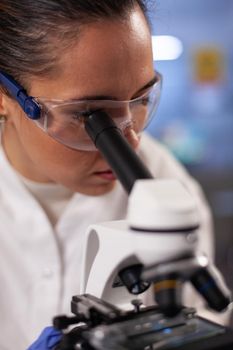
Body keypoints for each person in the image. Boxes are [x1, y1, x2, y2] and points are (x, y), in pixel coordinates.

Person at [0, 1, 226, 349]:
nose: (131, 142)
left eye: (140, 100)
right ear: (5, 98)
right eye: (89, 114)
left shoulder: (165, 180)